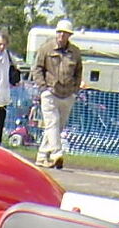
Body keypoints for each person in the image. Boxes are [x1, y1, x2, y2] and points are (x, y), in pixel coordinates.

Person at [32, 19, 83, 169]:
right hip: (50, 92)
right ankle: (56, 154)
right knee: (52, 123)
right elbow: (37, 68)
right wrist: (43, 87)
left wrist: (75, 89)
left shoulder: (75, 52)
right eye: (60, 32)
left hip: (67, 94)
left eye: (65, 33)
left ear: (69, 35)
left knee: (56, 127)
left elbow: (78, 71)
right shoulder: (46, 48)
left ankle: (42, 156)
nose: (62, 35)